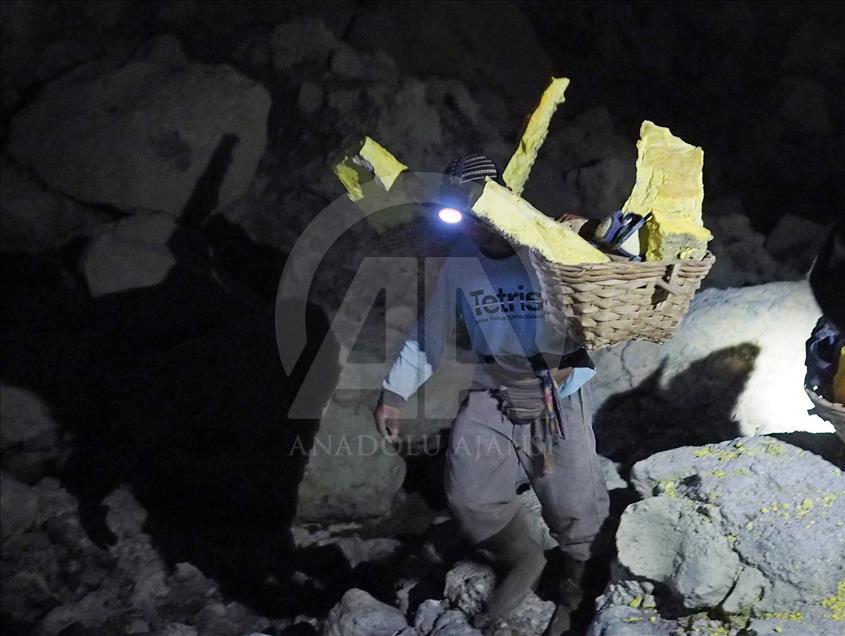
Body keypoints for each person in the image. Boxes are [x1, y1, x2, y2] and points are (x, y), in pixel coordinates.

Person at [373, 155, 610, 635]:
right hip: (493, 389)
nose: (474, 224)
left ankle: (574, 591)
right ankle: (524, 559)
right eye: (462, 213)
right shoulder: (461, 264)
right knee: (468, 496)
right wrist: (393, 392)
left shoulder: (546, 243)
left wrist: (592, 229)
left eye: (480, 208)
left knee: (575, 506)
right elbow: (429, 335)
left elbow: (620, 255)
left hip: (557, 390)